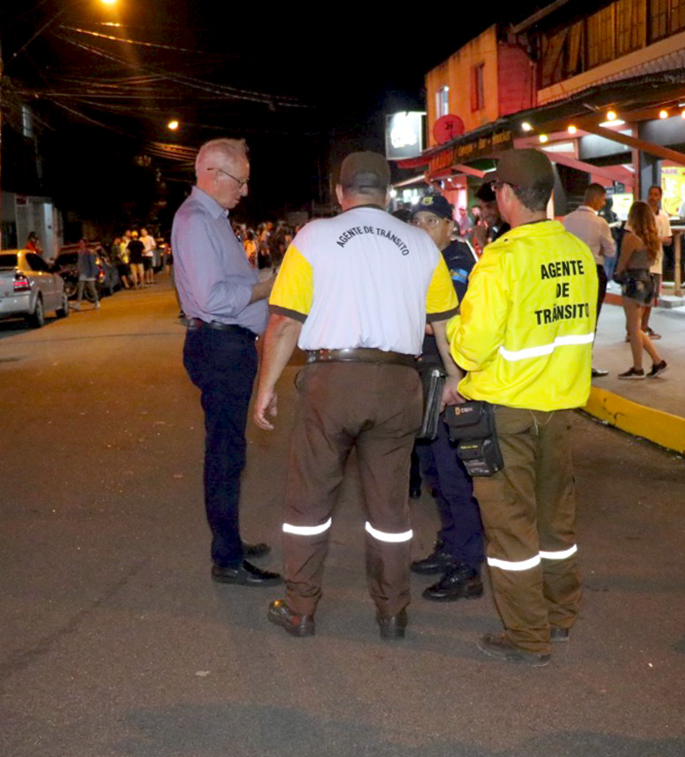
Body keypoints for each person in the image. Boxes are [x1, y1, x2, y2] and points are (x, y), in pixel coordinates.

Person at [253, 152, 459, 639]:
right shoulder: (420, 244)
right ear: (387, 193)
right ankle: (392, 612)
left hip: (332, 382)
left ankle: (301, 608)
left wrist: (265, 389)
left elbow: (283, 323)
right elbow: (446, 325)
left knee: (309, 503)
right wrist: (453, 377)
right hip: (398, 384)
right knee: (391, 509)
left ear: (339, 191)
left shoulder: (314, 238)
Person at [446, 149, 596, 667]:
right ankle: (560, 617)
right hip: (559, 412)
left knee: (511, 527)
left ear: (507, 195)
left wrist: (454, 329)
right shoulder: (578, 253)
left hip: (507, 415)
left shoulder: (503, 259)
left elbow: (470, 349)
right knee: (556, 526)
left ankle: (528, 635)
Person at [172, 137, 280, 588]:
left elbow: (231, 283)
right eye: (240, 181)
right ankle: (227, 559)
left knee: (230, 453)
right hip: (219, 348)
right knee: (224, 454)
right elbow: (215, 298)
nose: (244, 191)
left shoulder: (215, 220)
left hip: (228, 346)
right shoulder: (197, 221)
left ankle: (230, 541)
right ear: (213, 174)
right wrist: (268, 284)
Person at [408, 193, 485, 602]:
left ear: (449, 226)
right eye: (416, 220)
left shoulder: (457, 261)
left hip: (450, 381)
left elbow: (439, 318)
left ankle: (468, 564)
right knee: (435, 473)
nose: (420, 228)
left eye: (430, 220)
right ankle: (452, 544)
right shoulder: (423, 260)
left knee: (455, 474)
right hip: (427, 377)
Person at [562, 183, 616, 378]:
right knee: (590, 319)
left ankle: (570, 363)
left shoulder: (567, 220)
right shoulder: (599, 222)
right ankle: (585, 363)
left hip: (570, 273)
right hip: (593, 272)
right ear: (595, 198)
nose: (603, 203)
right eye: (602, 199)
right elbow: (611, 251)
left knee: (570, 317)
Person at [616, 202, 668, 379]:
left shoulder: (631, 238)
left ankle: (638, 367)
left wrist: (617, 273)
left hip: (632, 281)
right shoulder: (651, 239)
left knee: (633, 327)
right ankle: (657, 361)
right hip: (646, 280)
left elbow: (622, 263)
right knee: (637, 327)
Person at [638, 185, 671, 342]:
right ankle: (634, 329)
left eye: (656, 194)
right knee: (639, 300)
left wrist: (656, 239)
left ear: (660, 197)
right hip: (641, 262)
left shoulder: (663, 216)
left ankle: (643, 329)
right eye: (650, 194)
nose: (653, 197)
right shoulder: (641, 215)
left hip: (656, 262)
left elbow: (668, 239)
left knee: (650, 300)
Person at [470, 182, 509, 255]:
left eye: (489, 206)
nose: (485, 214)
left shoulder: (509, 231)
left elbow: (500, 263)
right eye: (481, 208)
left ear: (501, 204)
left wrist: (483, 243)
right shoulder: (491, 231)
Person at [73, 238, 100, 311]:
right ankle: (78, 304)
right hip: (82, 273)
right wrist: (78, 270)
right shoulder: (79, 253)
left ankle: (96, 301)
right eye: (79, 243)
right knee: (80, 288)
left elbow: (92, 263)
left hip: (89, 273)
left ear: (85, 244)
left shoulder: (88, 253)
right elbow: (79, 263)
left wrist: (92, 273)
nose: (80, 244)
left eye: (82, 243)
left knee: (91, 288)